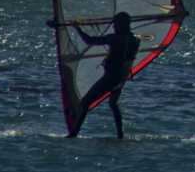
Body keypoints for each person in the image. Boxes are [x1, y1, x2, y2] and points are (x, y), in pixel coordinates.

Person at [52, 11, 141, 139]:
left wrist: (78, 29)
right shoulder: (135, 40)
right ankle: (120, 135)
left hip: (110, 78)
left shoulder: (114, 39)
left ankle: (74, 134)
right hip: (122, 78)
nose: (114, 27)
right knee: (113, 104)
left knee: (85, 103)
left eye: (115, 24)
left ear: (121, 25)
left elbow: (90, 41)